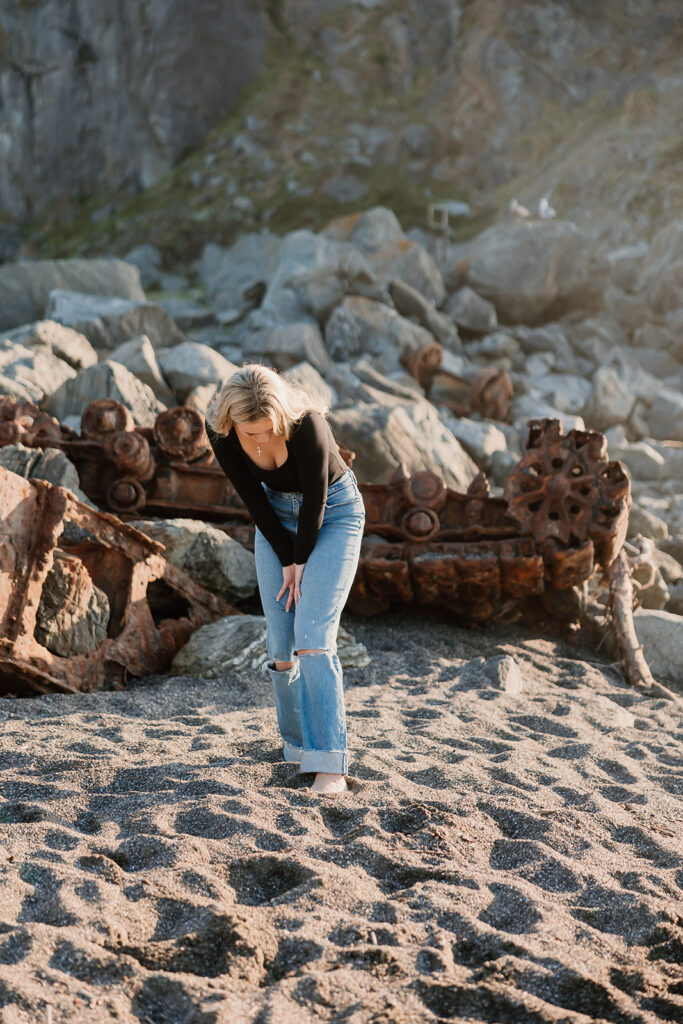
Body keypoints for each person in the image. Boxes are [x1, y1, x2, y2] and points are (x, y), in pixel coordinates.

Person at [205, 363, 366, 794]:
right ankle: (297, 747)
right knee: (280, 647)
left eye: (266, 430)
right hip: (274, 520)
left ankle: (329, 764)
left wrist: (301, 561)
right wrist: (285, 555)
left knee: (312, 635)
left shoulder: (307, 425)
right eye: (249, 432)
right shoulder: (220, 431)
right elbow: (253, 499)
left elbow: (316, 499)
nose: (259, 440)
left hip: (334, 515)